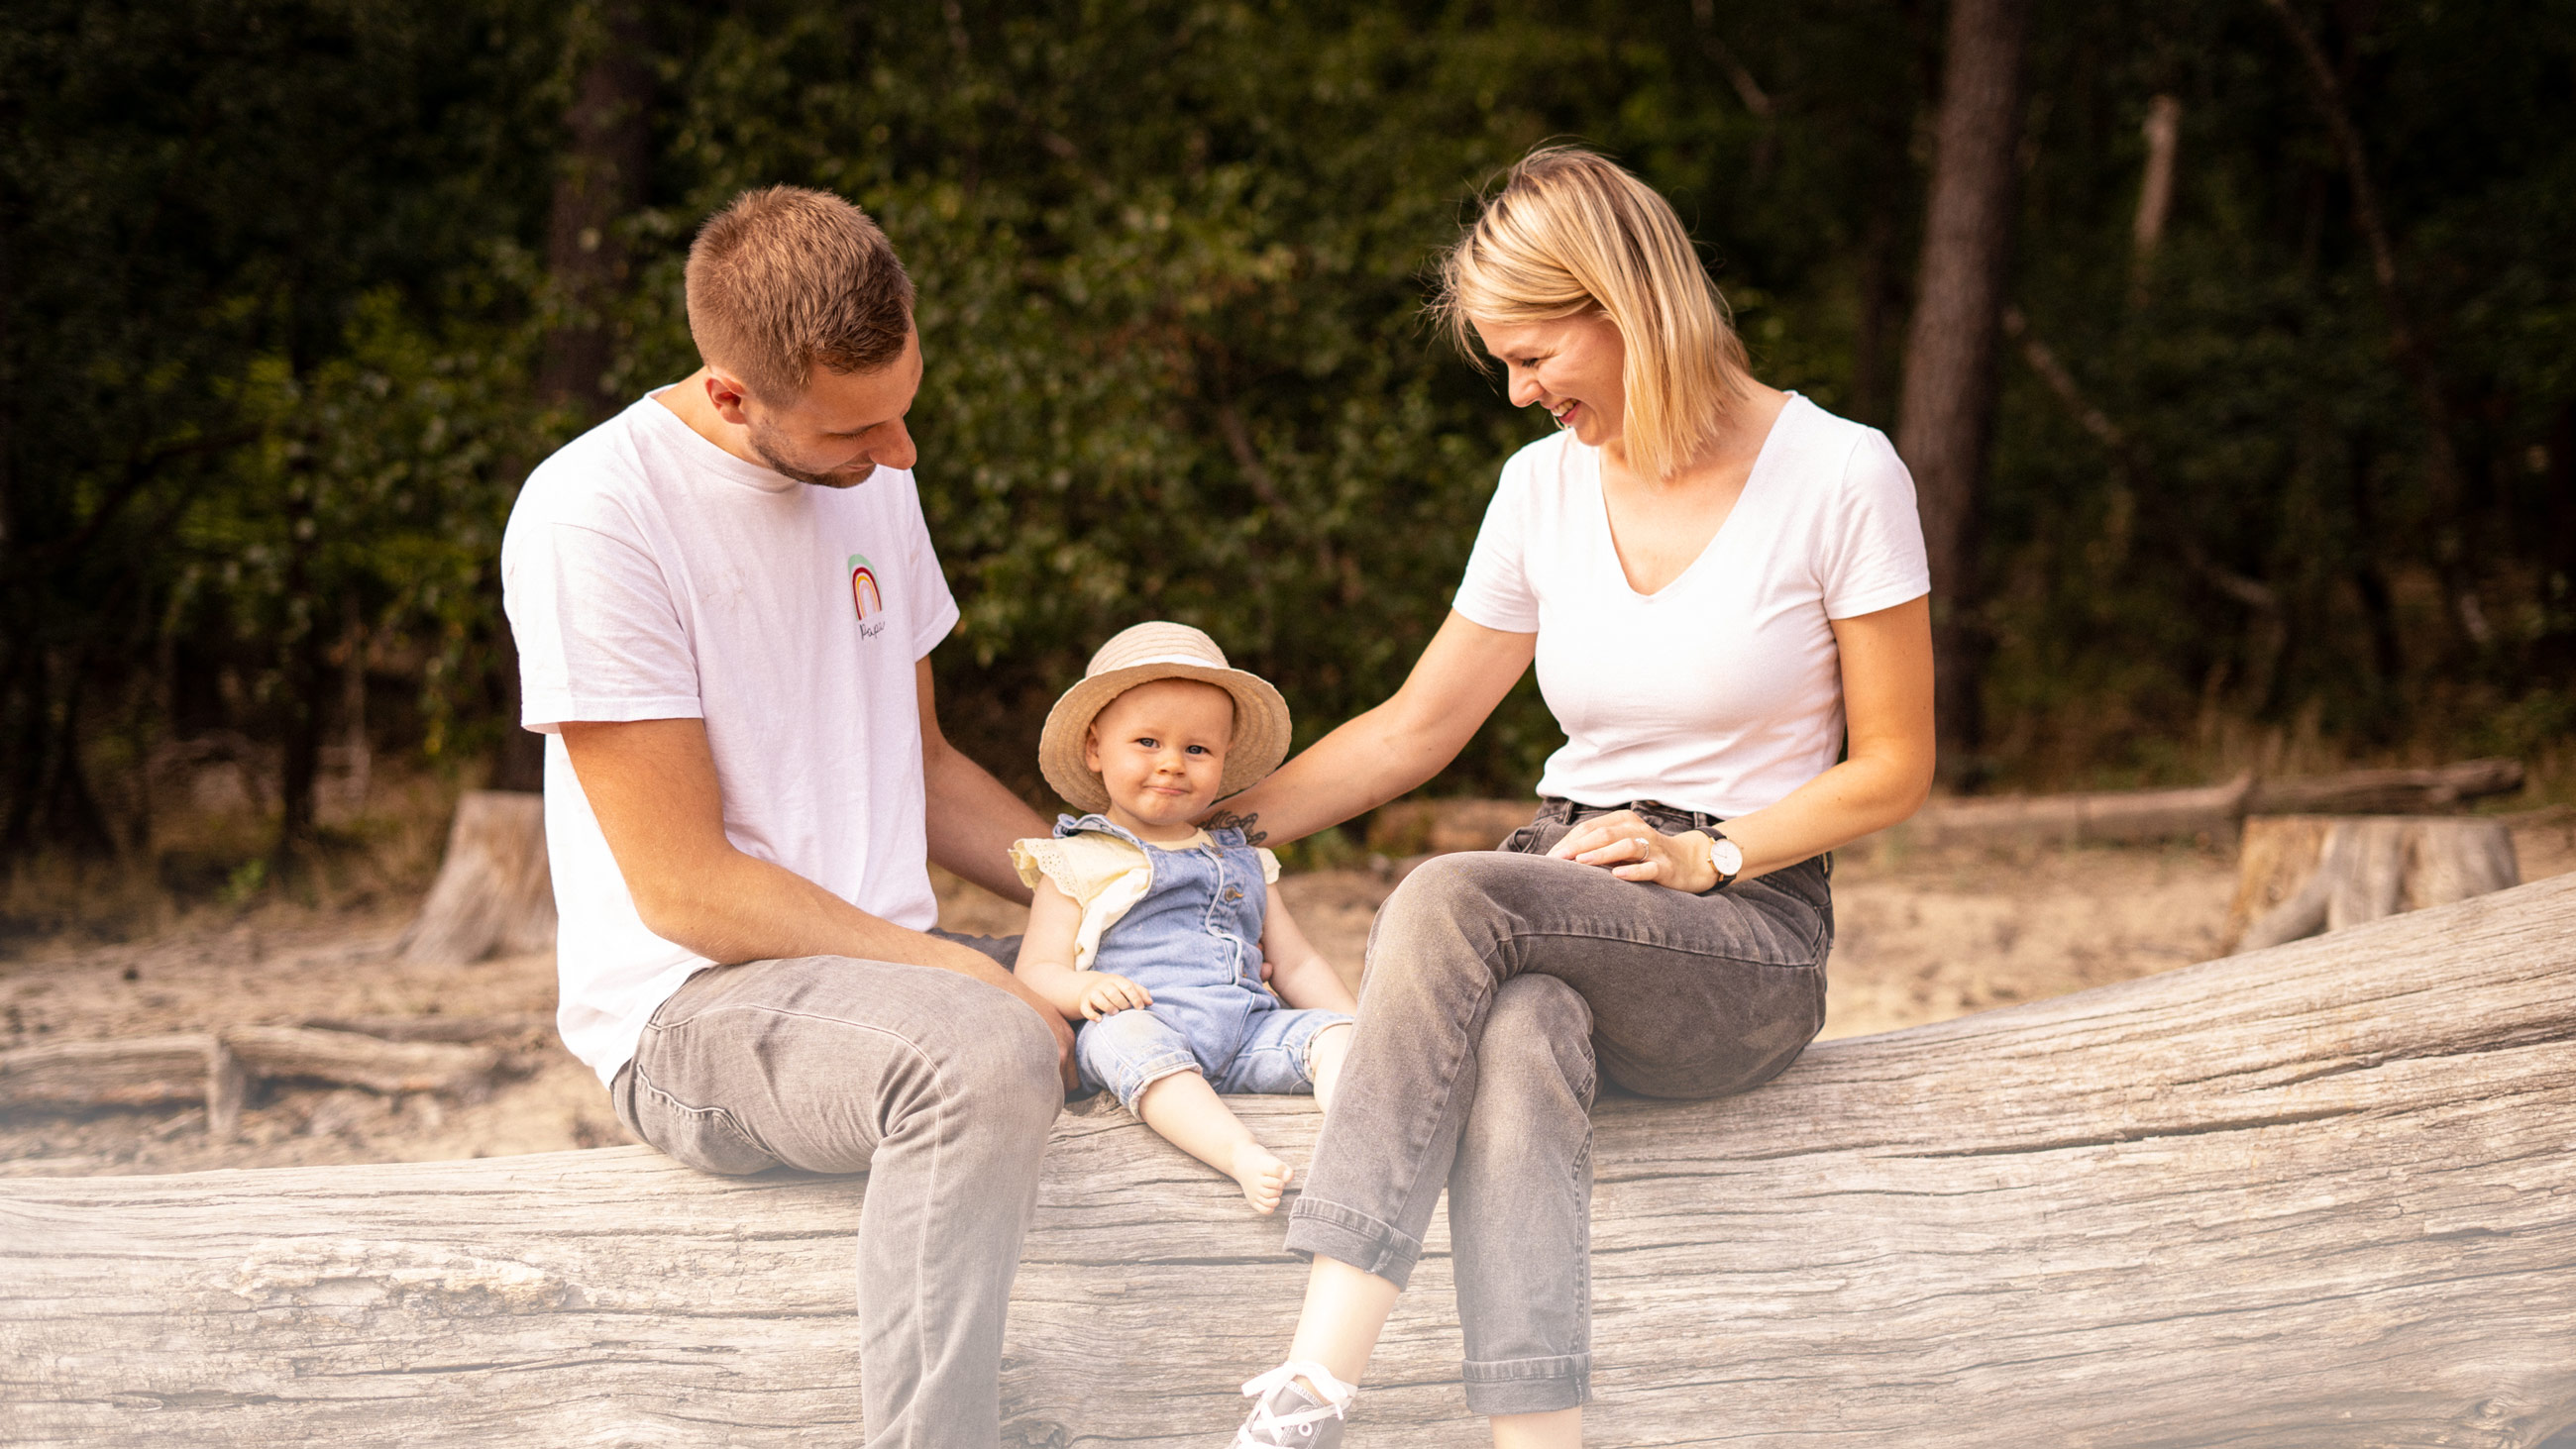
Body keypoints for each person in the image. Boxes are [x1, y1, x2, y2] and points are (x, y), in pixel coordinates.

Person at [1215, 148, 1938, 1447]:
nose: (1517, 392)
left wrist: (1712, 854)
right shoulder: (1540, 490)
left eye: (1534, 354)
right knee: (1521, 1027)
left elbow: (1895, 763)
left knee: (1444, 892)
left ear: (1622, 303)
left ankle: (1314, 1375)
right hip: (1558, 886)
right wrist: (1195, 831)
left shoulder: (1842, 473)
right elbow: (1414, 727)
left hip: (1744, 926)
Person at [499, 185, 1076, 1448]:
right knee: (978, 1049)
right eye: (859, 429)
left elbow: (919, 769)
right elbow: (688, 889)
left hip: (881, 973)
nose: (901, 453)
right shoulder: (594, 510)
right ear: (728, 394)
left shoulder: (873, 470)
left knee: (1174, 989)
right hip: (694, 1003)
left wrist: (1099, 887)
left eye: (905, 406)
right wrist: (972, 985)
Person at [1009, 622, 1359, 1214]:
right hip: (1146, 1023)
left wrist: (1356, 1027)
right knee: (1124, 1043)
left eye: (1196, 749)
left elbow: (1296, 961)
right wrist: (1084, 987)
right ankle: (1238, 1152)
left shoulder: (1243, 858)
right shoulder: (1075, 858)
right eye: (1147, 742)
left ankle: (1357, 1132)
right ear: (1096, 749)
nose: (1172, 763)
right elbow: (1035, 970)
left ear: (1222, 761)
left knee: (1338, 1040)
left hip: (1247, 1030)